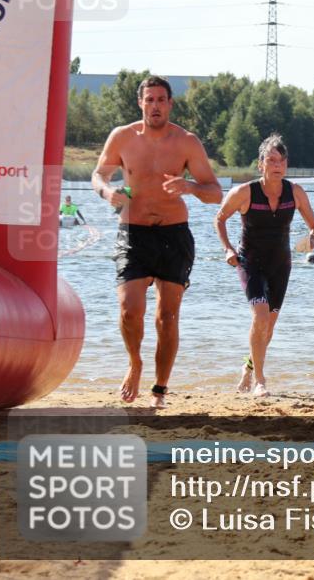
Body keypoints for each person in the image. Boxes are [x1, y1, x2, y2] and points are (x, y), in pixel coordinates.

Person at [92, 75, 222, 407]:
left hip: (173, 235)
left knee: (167, 316)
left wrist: (190, 187)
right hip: (133, 233)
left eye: (161, 100)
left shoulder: (186, 142)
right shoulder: (122, 137)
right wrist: (109, 191)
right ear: (141, 103)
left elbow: (214, 192)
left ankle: (160, 388)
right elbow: (99, 174)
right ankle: (135, 362)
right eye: (149, 100)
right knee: (129, 310)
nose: (155, 106)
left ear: (170, 104)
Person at [215, 134, 314, 397]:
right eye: (271, 160)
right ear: (260, 164)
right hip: (250, 262)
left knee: (269, 326)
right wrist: (227, 248)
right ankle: (260, 380)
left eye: (282, 160)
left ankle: (249, 368)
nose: (278, 165)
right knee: (260, 316)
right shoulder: (244, 192)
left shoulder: (295, 192)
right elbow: (219, 218)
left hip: (280, 264)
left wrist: (311, 240)